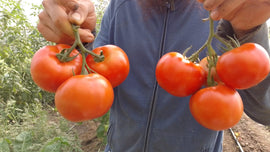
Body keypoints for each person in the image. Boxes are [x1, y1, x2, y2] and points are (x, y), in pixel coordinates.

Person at [38, 0, 270, 151]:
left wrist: (249, 30)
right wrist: (76, 38)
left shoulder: (227, 10)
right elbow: (93, 78)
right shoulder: (121, 6)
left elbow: (264, 110)